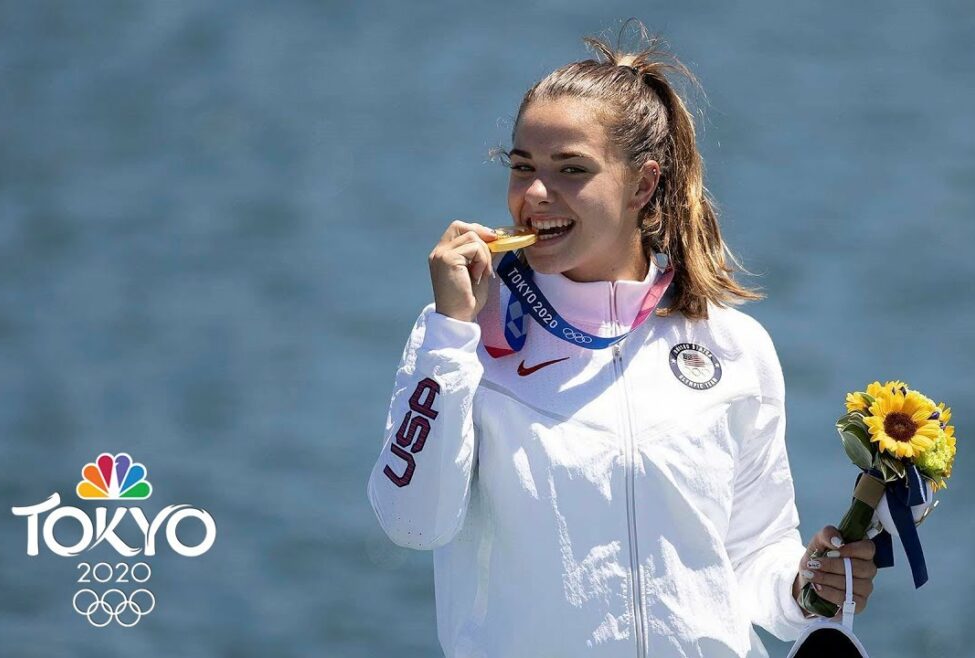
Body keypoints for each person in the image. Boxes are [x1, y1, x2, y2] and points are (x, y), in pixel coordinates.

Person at [368, 22, 879, 658]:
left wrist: (807, 587)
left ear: (642, 184)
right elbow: (411, 521)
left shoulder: (733, 346)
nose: (533, 195)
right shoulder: (460, 332)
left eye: (570, 170)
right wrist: (450, 334)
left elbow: (753, 561)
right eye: (522, 167)